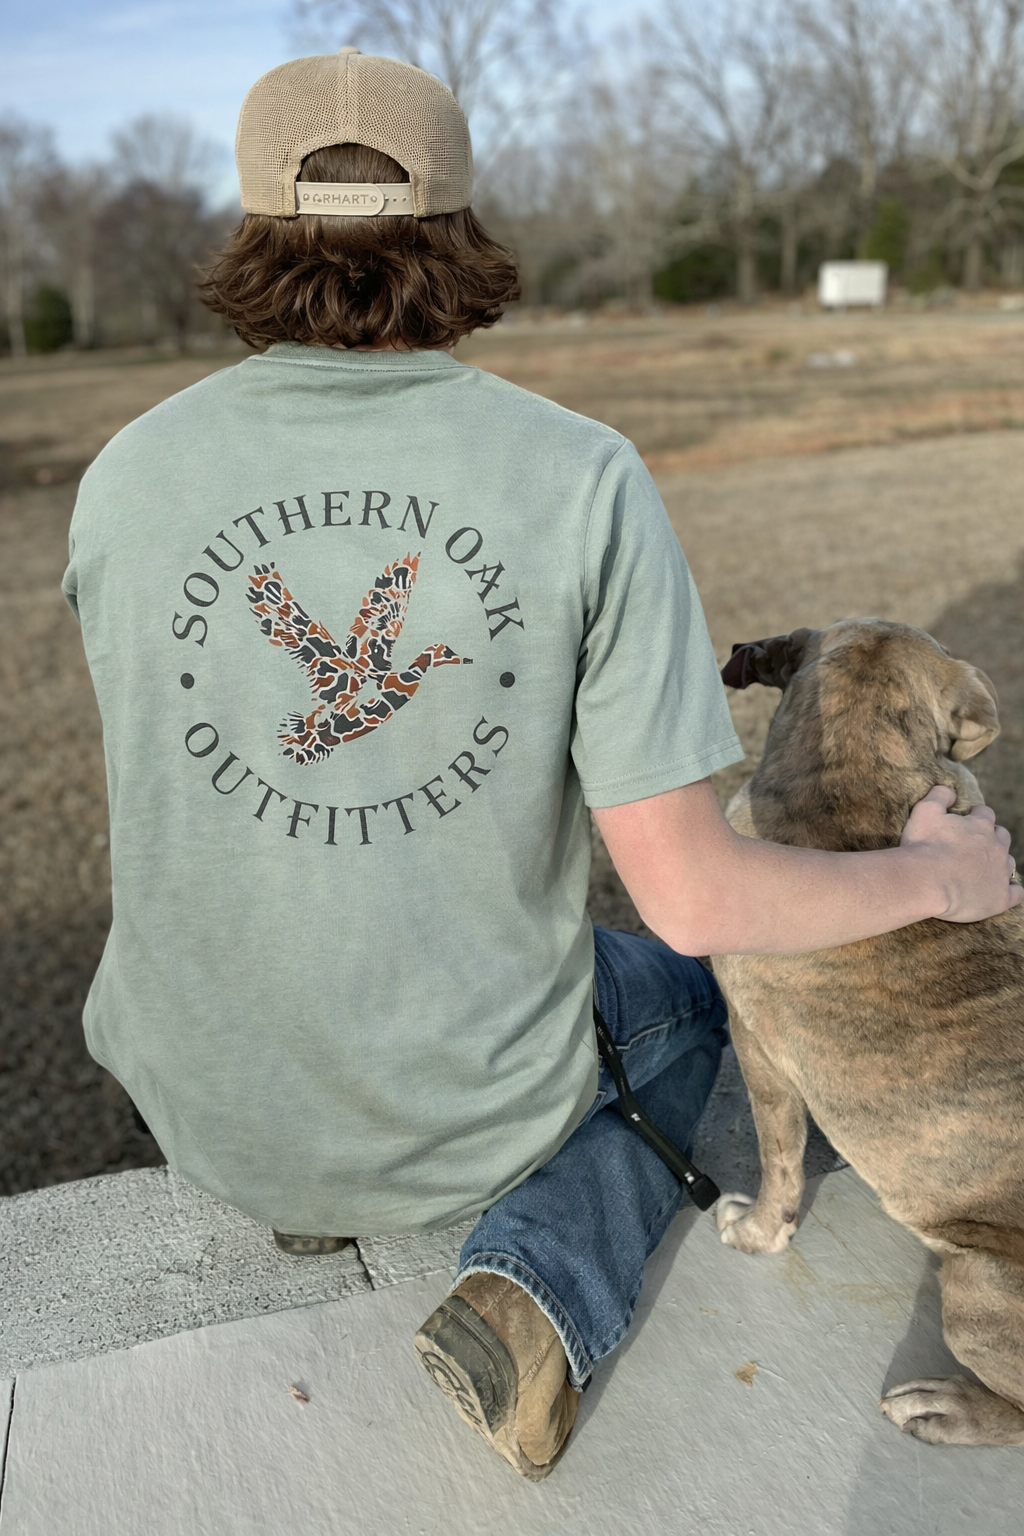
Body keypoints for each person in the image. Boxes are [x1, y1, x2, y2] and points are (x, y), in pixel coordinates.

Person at [62, 48, 1020, 1481]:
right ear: (456, 222)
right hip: (453, 1113)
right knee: (707, 993)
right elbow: (695, 903)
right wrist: (930, 879)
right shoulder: (577, 476)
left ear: (253, 223)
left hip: (206, 1102)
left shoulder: (126, 473)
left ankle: (313, 1180)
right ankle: (545, 1288)